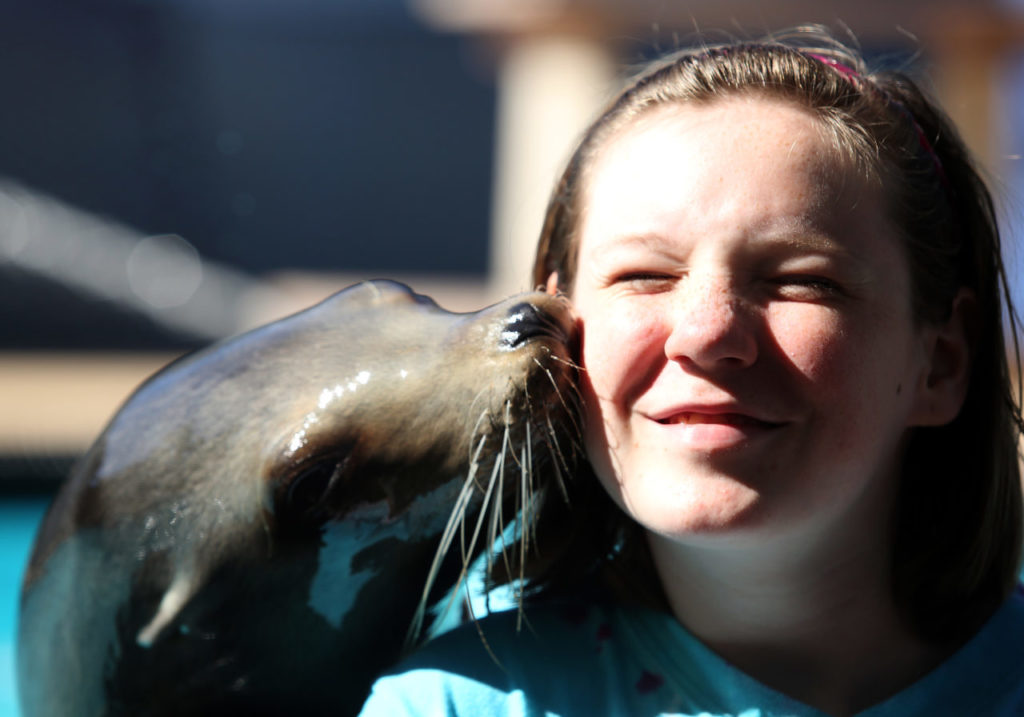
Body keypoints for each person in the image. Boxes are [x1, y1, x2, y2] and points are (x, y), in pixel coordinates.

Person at [358, 26, 1024, 716]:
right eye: (644, 275)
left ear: (941, 362)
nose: (707, 333)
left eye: (801, 280)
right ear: (557, 337)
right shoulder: (453, 705)